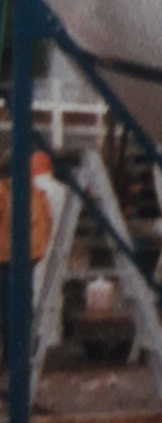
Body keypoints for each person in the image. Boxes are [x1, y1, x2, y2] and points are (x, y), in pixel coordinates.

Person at [0, 152, 54, 368]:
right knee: (22, 306)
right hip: (28, 257)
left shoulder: (4, 191)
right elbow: (46, 221)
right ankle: (20, 354)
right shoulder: (35, 193)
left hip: (5, 258)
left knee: (6, 308)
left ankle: (11, 355)